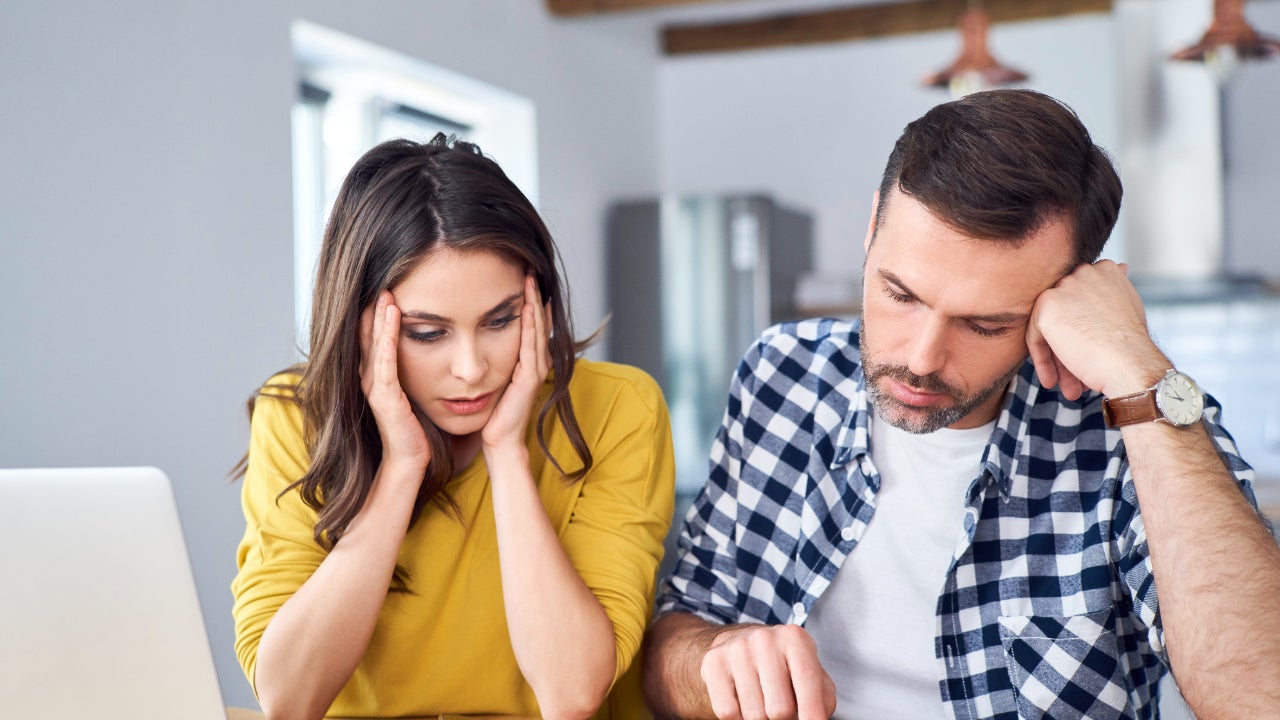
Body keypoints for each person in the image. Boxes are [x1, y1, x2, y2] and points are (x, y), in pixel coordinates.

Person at [643, 89, 1280, 720]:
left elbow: (1259, 697)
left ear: (1062, 299)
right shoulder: (783, 371)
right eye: (900, 294)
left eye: (983, 325)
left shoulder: (1134, 429)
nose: (921, 358)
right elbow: (675, 634)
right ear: (872, 228)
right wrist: (716, 654)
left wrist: (1136, 364)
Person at [231, 135, 674, 720]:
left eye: (499, 321)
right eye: (426, 332)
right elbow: (288, 699)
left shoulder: (618, 409)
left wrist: (508, 454)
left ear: (536, 305)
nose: (471, 370)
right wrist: (401, 469)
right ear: (363, 325)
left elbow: (571, 695)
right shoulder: (296, 414)